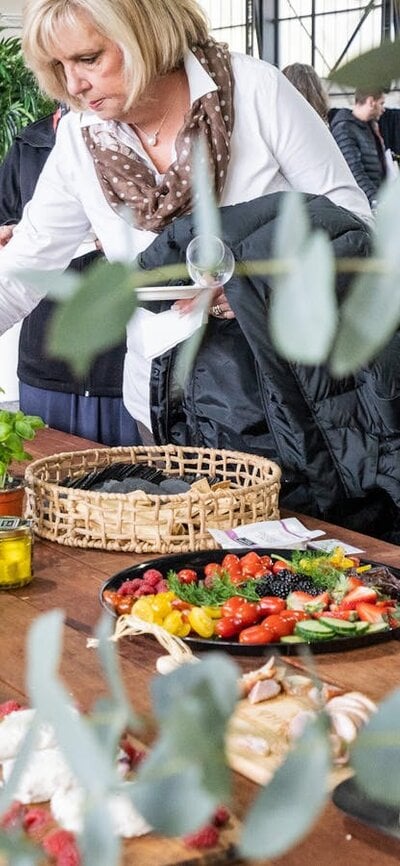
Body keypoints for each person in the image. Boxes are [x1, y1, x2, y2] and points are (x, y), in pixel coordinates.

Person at [1, 0, 398, 539]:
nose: (75, 85)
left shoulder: (255, 92)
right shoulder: (80, 139)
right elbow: (24, 268)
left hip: (293, 404)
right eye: (59, 68)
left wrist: (259, 280)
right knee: (193, 577)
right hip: (166, 412)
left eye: (89, 58)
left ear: (142, 33)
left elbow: (351, 225)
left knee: (312, 563)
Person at [0, 109, 141, 446]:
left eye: (88, 59)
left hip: (121, 359)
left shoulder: (135, 139)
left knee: (127, 486)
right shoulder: (28, 145)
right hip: (46, 356)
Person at [330, 89, 387, 206]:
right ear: (371, 102)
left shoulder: (368, 127)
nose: (383, 109)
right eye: (381, 103)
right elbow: (355, 173)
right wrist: (377, 201)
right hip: (363, 204)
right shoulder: (344, 128)